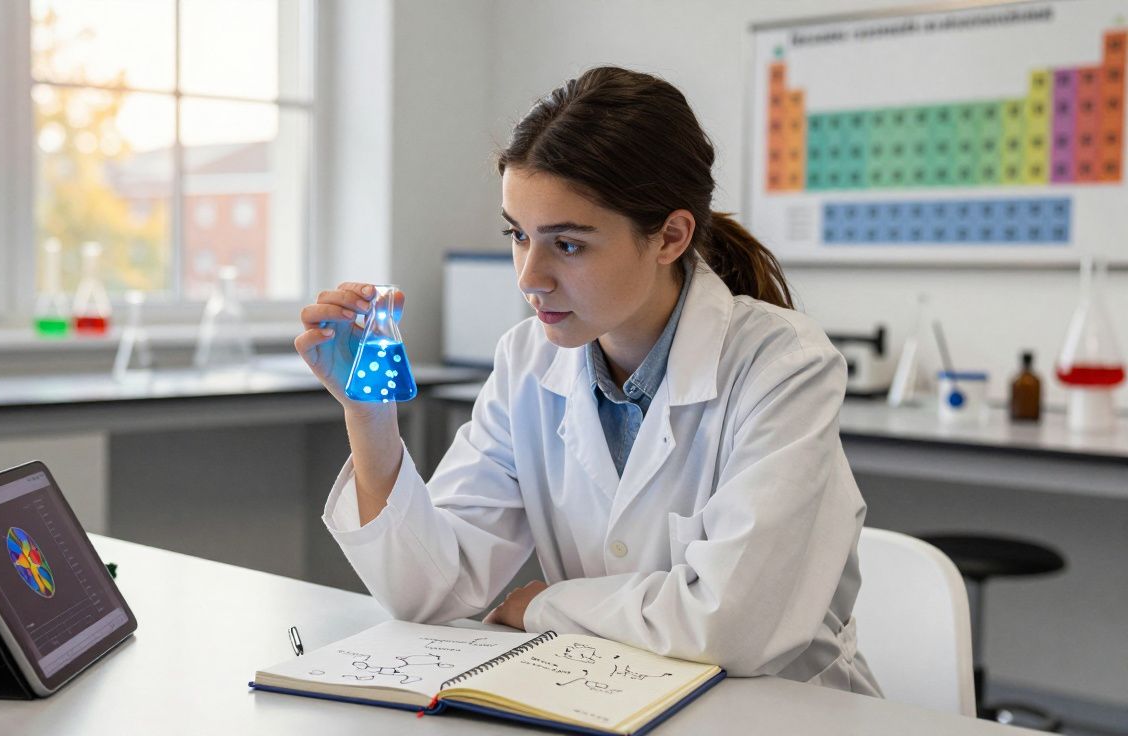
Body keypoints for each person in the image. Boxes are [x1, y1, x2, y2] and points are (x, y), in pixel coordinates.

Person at [294, 66, 881, 696]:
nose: (529, 276)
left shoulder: (781, 365)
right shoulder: (527, 361)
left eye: (567, 245)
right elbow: (430, 590)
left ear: (670, 237)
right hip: (602, 702)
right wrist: (369, 415)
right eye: (518, 235)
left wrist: (545, 607)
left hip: (779, 712)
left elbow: (730, 625)